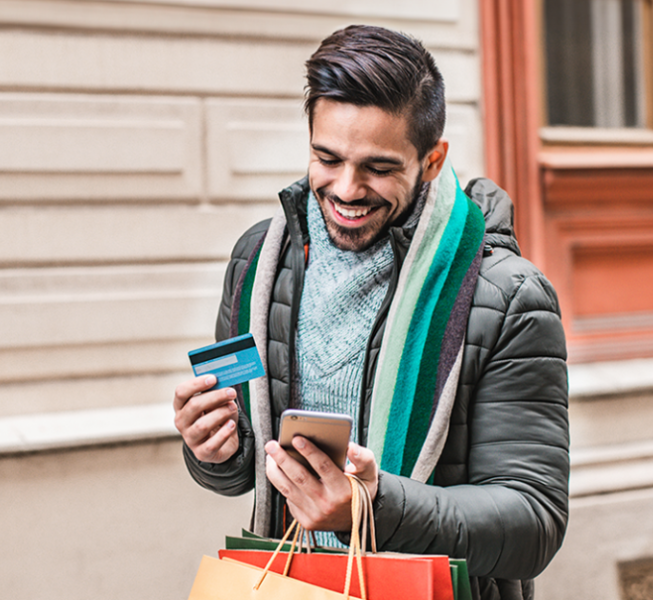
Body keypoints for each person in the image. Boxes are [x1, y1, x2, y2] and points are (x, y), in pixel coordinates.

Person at [172, 24, 569, 600]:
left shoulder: (507, 297)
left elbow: (533, 523)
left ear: (432, 161)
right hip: (296, 586)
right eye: (326, 158)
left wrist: (372, 507)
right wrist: (213, 448)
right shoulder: (258, 263)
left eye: (378, 168)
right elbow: (248, 466)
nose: (347, 189)